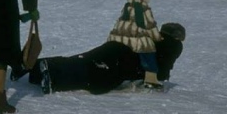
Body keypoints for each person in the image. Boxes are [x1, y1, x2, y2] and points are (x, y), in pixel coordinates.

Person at [26, 22, 185, 95]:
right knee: (92, 77)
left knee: (83, 59)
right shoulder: (173, 46)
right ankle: (53, 79)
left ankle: (36, 67)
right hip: (121, 61)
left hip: (116, 47)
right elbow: (161, 72)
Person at [107, 0, 165, 90]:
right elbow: (150, 25)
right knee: (149, 53)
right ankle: (151, 80)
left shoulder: (126, 7)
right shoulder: (144, 8)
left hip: (119, 39)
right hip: (135, 40)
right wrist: (157, 38)